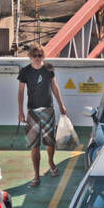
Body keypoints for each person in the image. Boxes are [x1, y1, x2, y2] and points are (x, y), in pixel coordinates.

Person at [17, 43, 66, 188]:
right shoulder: (25, 72)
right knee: (34, 145)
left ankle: (51, 162)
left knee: (50, 142)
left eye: (40, 55)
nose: (37, 58)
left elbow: (54, 87)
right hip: (32, 111)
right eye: (34, 55)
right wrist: (20, 111)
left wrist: (61, 105)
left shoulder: (49, 69)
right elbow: (20, 92)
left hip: (48, 110)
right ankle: (36, 175)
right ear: (30, 57)